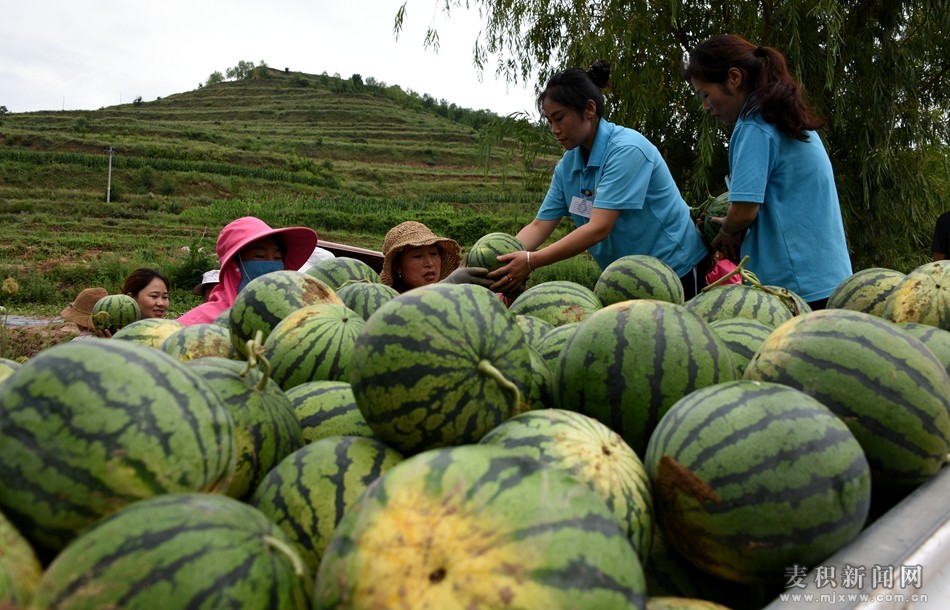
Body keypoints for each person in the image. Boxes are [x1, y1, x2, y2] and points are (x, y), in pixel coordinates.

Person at [491, 61, 711, 300]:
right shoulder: (567, 167)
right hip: (627, 280)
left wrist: (531, 261)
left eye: (560, 118)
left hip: (677, 270)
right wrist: (502, 260)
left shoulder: (627, 150)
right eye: (549, 121)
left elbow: (599, 227)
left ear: (589, 109)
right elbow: (539, 226)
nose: (554, 129)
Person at [683, 34, 853, 309]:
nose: (705, 106)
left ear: (734, 78)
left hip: (793, 286)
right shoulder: (785, 117)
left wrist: (725, 232)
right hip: (827, 276)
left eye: (705, 94)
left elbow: (744, 209)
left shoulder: (753, 126)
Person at [177, 216, 318, 326]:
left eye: (277, 258)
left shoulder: (293, 315)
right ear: (235, 266)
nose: (271, 265)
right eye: (260, 256)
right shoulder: (197, 322)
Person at [379, 221, 494, 293]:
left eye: (434, 254)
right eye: (417, 256)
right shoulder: (389, 299)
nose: (429, 263)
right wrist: (449, 283)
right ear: (398, 266)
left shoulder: (453, 295)